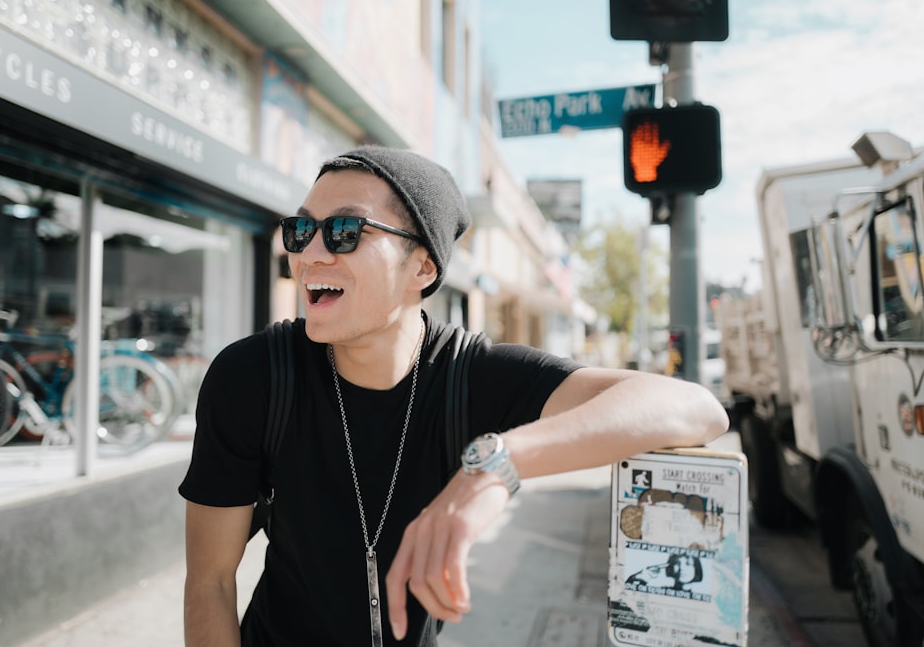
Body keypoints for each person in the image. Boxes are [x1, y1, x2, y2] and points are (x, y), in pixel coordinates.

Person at [178, 145, 729, 646]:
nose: (311, 254)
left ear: (423, 267)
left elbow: (694, 407)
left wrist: (494, 466)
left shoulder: (472, 374)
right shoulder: (254, 377)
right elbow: (209, 582)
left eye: (344, 231)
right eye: (301, 230)